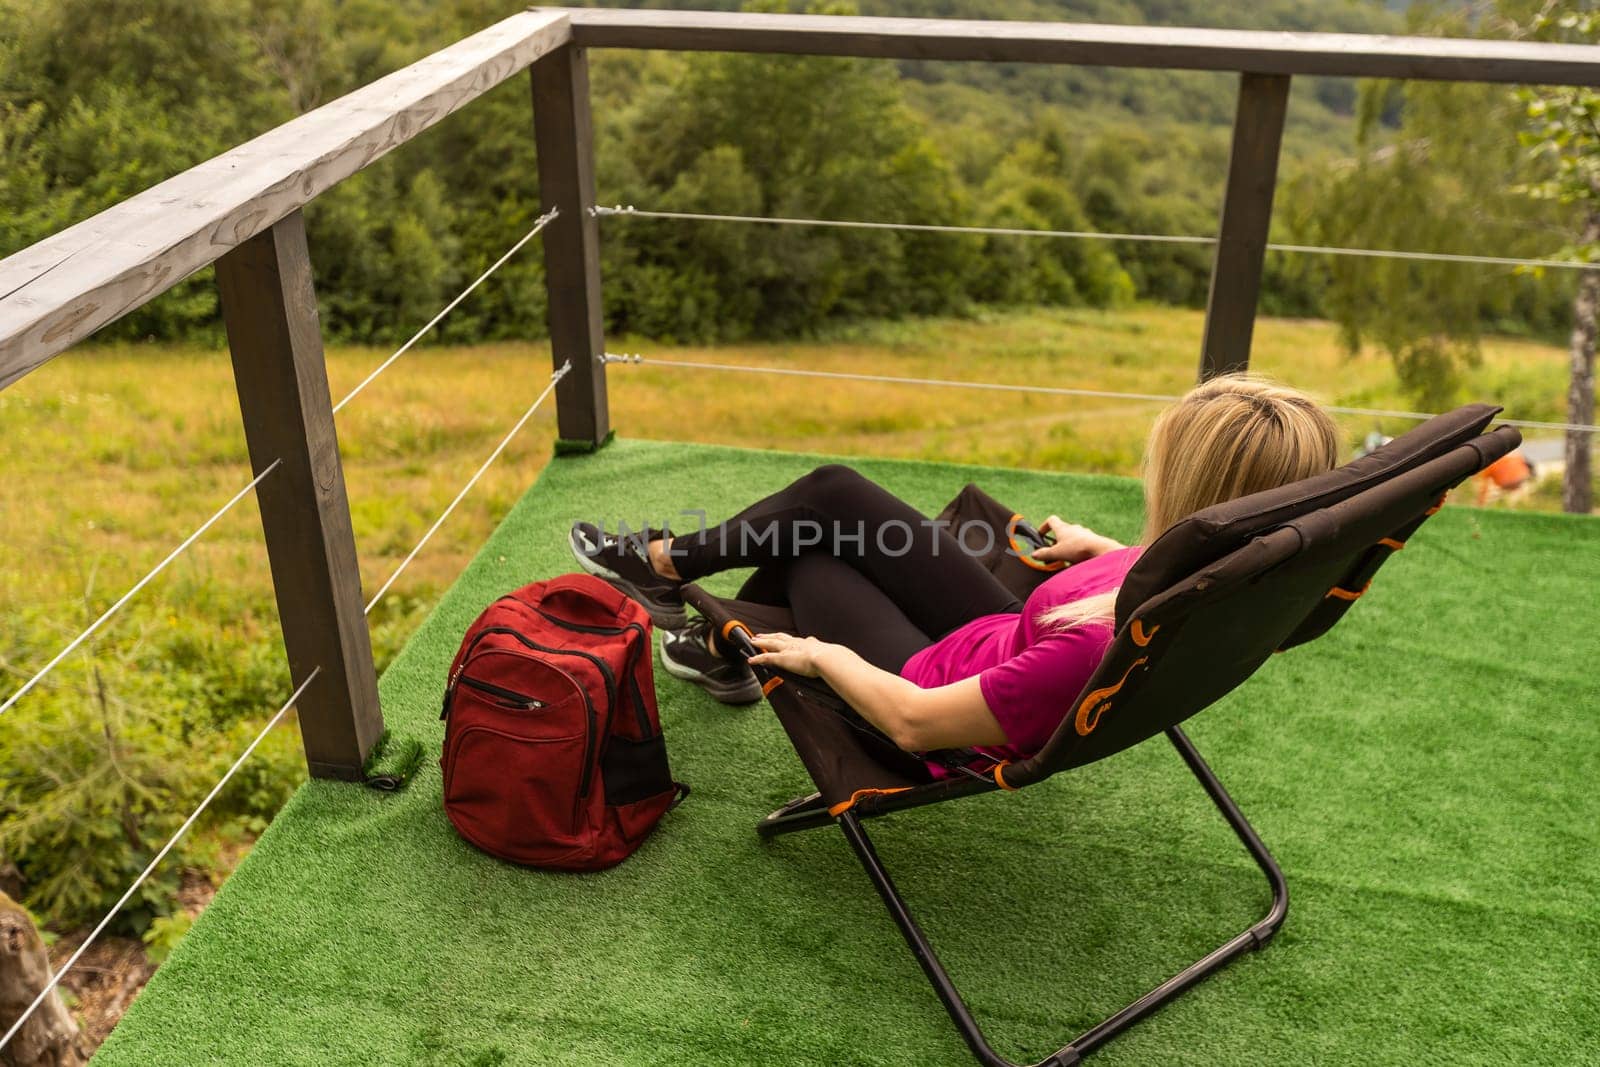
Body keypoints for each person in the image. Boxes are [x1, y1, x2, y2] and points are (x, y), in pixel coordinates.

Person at [569, 374, 1340, 773]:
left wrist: (824, 657)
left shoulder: (1086, 653)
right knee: (835, 490)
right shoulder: (1244, 573)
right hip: (1009, 632)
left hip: (933, 684)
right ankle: (668, 571)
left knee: (810, 548)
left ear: (1194, 496)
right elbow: (1179, 560)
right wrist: (1099, 545)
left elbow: (915, 722)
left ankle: (717, 633)